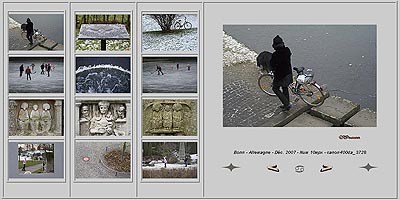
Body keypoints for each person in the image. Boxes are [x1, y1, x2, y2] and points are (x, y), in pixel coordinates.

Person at [270, 35, 293, 111]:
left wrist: (272, 70)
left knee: (275, 88)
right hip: (288, 73)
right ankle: (286, 103)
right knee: (285, 87)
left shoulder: (275, 55)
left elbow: (273, 65)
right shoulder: (287, 50)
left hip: (280, 76)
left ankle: (286, 104)